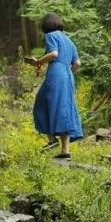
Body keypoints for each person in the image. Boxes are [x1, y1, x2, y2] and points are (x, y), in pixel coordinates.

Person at [28, 12, 83, 159]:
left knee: (40, 104)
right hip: (68, 75)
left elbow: (53, 54)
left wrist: (39, 61)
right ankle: (65, 151)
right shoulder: (69, 40)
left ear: (47, 25)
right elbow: (77, 64)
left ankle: (52, 140)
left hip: (57, 73)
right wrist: (66, 73)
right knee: (64, 108)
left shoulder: (51, 36)